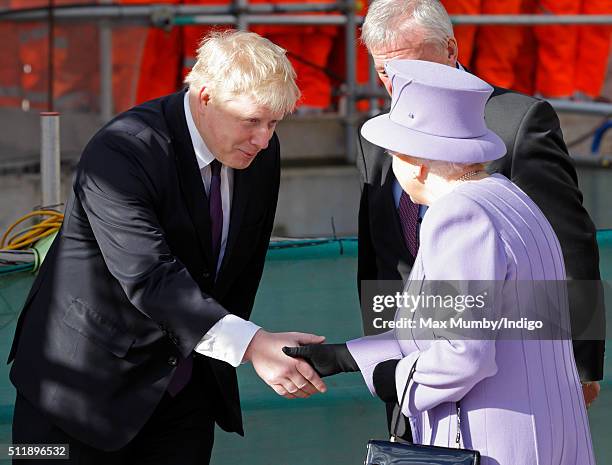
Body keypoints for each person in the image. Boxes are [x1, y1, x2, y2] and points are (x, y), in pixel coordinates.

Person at [8, 30, 327, 465]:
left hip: (184, 394)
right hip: (72, 394)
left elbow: (236, 269)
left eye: (274, 123)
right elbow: (149, 275)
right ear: (206, 96)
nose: (264, 139)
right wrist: (253, 346)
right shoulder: (122, 150)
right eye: (252, 121)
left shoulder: (259, 154)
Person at [286, 58, 596, 465]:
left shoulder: (459, 214)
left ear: (415, 161)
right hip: (544, 433)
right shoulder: (506, 195)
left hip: (495, 440)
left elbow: (462, 354)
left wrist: (392, 378)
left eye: (395, 153)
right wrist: (346, 357)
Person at [355, 1, 603, 432]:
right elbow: (382, 260)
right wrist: (386, 359)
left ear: (449, 49)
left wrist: (580, 365)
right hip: (416, 377)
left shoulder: (516, 122)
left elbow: (569, 245)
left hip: (511, 375)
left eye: (409, 68)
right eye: (383, 73)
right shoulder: (379, 136)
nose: (396, 87)